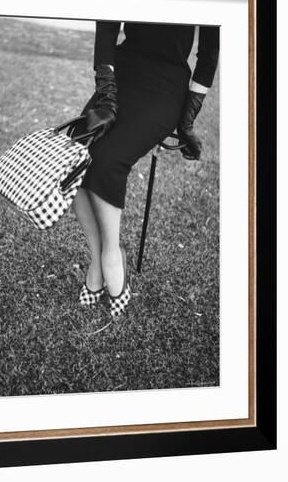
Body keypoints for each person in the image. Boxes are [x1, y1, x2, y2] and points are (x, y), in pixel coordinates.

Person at [70, 20, 219, 318]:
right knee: (74, 154)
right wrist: (106, 86)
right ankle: (98, 259)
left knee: (109, 161)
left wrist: (188, 115)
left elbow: (209, 49)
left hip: (167, 84)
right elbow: (108, 21)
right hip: (122, 73)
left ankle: (113, 255)